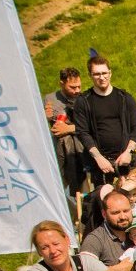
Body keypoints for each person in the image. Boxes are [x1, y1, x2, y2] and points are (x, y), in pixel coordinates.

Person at [69, 56, 136, 185]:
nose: (102, 77)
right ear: (90, 75)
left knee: (133, 201)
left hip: (127, 160)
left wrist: (128, 152)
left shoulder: (125, 98)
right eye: (97, 74)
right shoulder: (83, 101)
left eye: (104, 73)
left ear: (110, 73)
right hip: (99, 164)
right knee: (105, 202)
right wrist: (98, 158)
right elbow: (82, 133)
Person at [44, 66, 87, 196]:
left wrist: (68, 128)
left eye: (79, 86)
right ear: (61, 84)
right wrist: (44, 118)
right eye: (72, 87)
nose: (77, 90)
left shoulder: (85, 98)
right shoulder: (50, 99)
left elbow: (92, 126)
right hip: (59, 148)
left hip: (80, 147)